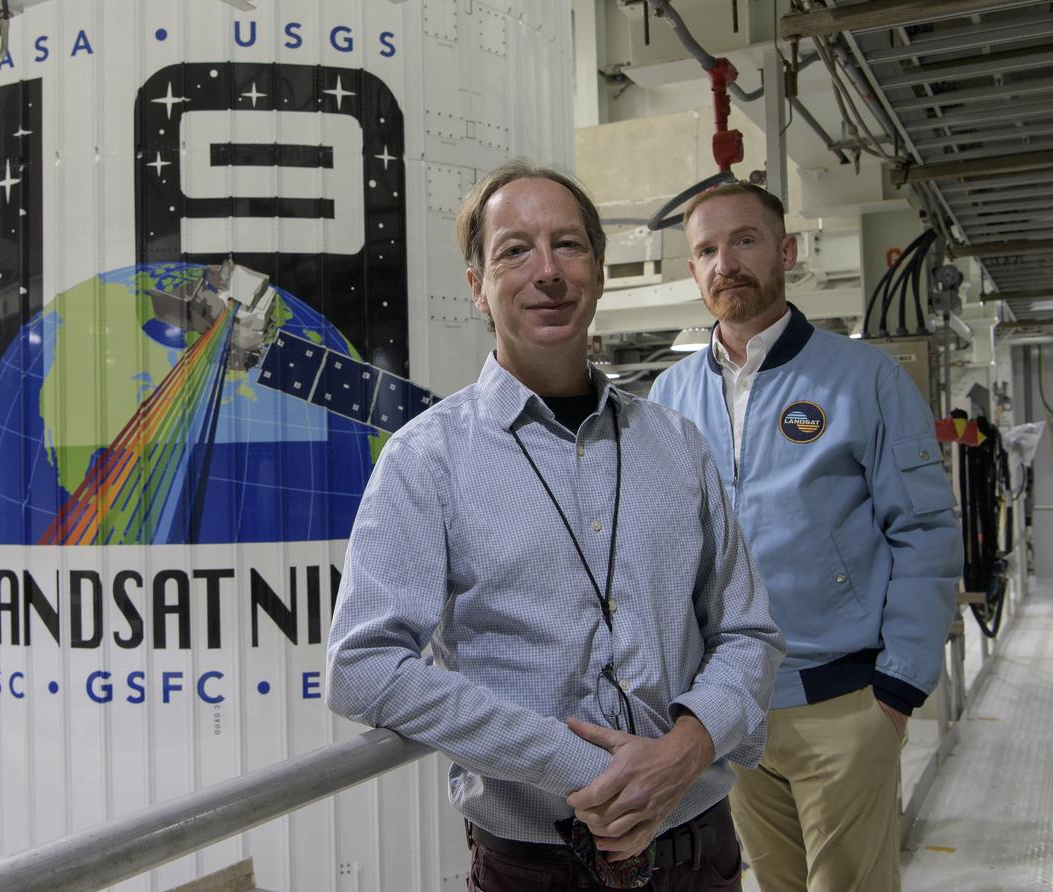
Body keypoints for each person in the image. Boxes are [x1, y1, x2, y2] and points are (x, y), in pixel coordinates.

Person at [325, 160, 785, 891]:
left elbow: (748, 632)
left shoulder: (676, 446)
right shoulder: (427, 459)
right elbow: (362, 666)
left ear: (599, 271)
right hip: (537, 868)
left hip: (699, 855)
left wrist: (685, 750)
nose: (548, 272)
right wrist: (582, 765)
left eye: (568, 245)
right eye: (514, 250)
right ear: (476, 284)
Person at [649, 182, 963, 892]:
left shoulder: (865, 379)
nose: (725, 262)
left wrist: (896, 691)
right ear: (693, 270)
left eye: (745, 241)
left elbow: (925, 533)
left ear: (786, 251)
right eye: (706, 250)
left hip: (844, 703)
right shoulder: (668, 398)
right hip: (731, 712)